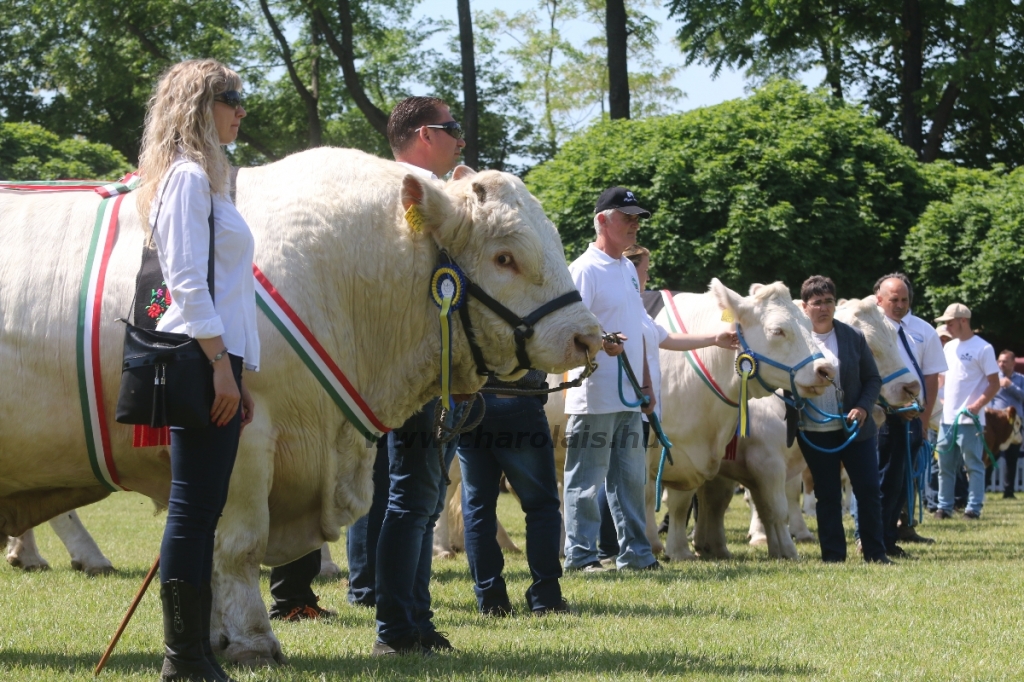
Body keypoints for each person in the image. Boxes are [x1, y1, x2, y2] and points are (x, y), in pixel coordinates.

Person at [138, 59, 258, 682]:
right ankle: (183, 656)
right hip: (198, 357)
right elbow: (185, 283)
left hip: (218, 360)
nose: (242, 109)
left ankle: (191, 652)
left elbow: (234, 291)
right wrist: (220, 368)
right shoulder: (185, 179)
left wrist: (243, 372)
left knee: (203, 508)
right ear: (198, 105)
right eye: (232, 98)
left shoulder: (209, 183)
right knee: (192, 509)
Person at [562, 190, 733, 573]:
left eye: (638, 217)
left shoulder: (625, 269)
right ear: (602, 221)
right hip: (595, 396)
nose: (635, 224)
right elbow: (571, 330)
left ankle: (637, 555)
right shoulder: (584, 269)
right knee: (586, 482)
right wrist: (601, 343)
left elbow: (649, 333)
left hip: (630, 398)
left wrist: (712, 340)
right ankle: (582, 557)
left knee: (630, 483)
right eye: (627, 217)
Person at [372, 96, 467, 655]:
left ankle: (417, 622)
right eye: (452, 129)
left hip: (435, 371)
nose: (461, 138)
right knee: (411, 499)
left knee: (423, 501)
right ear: (425, 135)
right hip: (413, 372)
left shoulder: (429, 195)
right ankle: (396, 630)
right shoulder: (404, 194)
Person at [456, 371, 570, 617]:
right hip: (519, 400)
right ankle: (547, 599)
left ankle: (490, 600)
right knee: (542, 507)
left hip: (471, 403)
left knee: (477, 509)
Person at [796, 276, 889, 564]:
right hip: (814, 429)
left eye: (828, 302)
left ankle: (875, 553)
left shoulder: (853, 337)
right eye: (817, 303)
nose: (823, 308)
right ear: (804, 306)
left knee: (868, 490)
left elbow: (873, 378)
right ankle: (833, 557)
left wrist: (862, 407)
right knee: (827, 494)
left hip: (855, 428)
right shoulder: (796, 340)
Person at [873, 274, 946, 553]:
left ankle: (889, 536)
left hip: (913, 414)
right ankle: (868, 536)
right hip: (880, 413)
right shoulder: (869, 328)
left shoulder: (924, 330)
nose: (900, 305)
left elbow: (930, 376)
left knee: (901, 477)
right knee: (876, 476)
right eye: (894, 299)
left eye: (905, 300)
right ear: (879, 299)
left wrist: (924, 419)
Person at [933, 303, 1000, 520]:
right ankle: (944, 507)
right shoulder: (949, 347)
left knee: (973, 465)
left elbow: (994, 383)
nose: (946, 327)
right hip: (947, 418)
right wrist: (937, 396)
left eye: (949, 322)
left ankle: (973, 509)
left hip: (970, 420)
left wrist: (978, 405)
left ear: (963, 320)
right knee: (944, 466)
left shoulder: (984, 348)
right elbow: (942, 379)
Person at [991, 350, 1024, 499]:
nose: (1001, 364)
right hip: (996, 423)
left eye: (1004, 361)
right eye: (999, 361)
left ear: (1013, 363)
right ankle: (983, 488)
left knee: (1012, 457)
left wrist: (1010, 385)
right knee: (991, 456)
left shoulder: (1021, 379)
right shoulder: (992, 379)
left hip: (1015, 422)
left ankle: (1008, 492)